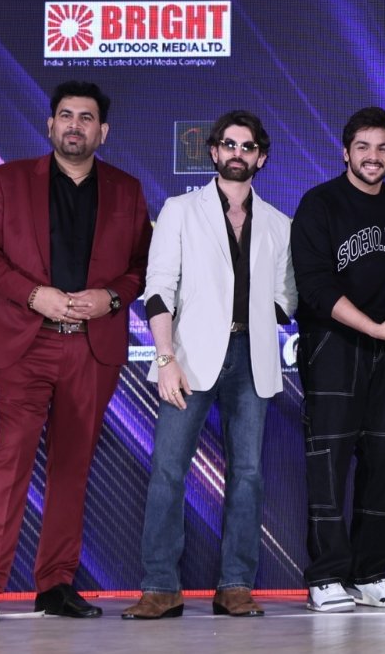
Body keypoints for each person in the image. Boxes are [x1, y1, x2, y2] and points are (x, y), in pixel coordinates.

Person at [0, 80, 151, 624]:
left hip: (91, 347)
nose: (74, 125)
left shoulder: (126, 190)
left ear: (102, 131)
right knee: (10, 458)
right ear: (50, 124)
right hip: (28, 342)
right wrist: (33, 294)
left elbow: (142, 266)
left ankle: (56, 585)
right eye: (65, 115)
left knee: (72, 467)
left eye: (86, 118)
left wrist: (111, 297)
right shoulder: (7, 181)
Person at [121, 111, 298, 620]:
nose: (238, 154)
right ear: (215, 152)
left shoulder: (279, 223)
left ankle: (236, 586)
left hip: (252, 359)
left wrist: (255, 321)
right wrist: (165, 358)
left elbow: (287, 295)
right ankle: (161, 587)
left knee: (248, 475)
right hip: (188, 358)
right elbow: (159, 288)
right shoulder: (179, 210)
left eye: (248, 147)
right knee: (168, 470)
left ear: (261, 158)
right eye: (229, 145)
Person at [291, 107, 385, 612]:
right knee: (329, 463)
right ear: (345, 152)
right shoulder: (319, 203)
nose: (373, 156)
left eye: (383, 148)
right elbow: (315, 286)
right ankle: (326, 577)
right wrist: (373, 326)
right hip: (332, 344)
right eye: (363, 146)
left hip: (382, 347)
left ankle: (369, 573)